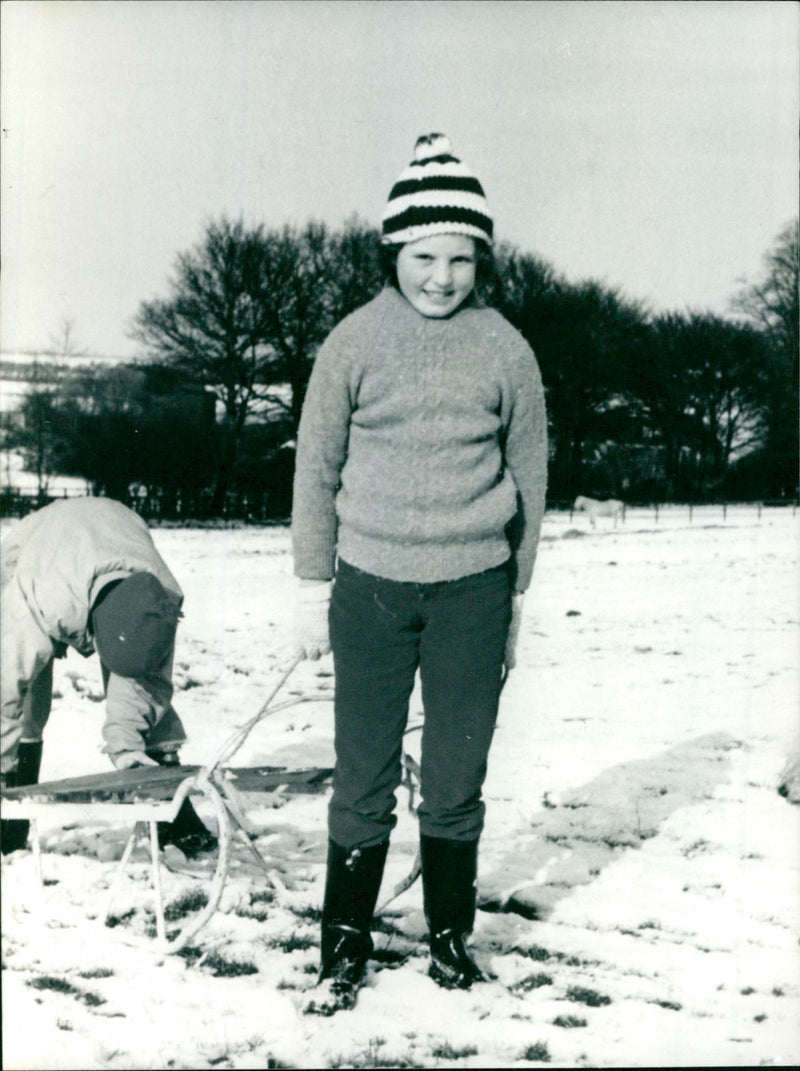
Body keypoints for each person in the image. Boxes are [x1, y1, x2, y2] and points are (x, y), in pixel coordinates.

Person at [291, 133, 548, 1010]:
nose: (442, 276)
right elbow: (316, 468)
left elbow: (531, 480)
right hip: (367, 588)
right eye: (425, 256)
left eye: (460, 258)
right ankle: (342, 948)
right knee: (361, 774)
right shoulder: (353, 342)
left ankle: (448, 942)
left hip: (473, 590)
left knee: (454, 776)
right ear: (394, 251)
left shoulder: (507, 350)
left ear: (482, 259)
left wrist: (514, 597)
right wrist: (307, 583)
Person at [0, 495, 217, 858]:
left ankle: (173, 817)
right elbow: (4, 689)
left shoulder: (160, 600)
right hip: (38, 549)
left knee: (145, 689)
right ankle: (9, 824)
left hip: (114, 534)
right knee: (23, 704)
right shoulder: (41, 596)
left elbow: (145, 685)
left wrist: (128, 749)